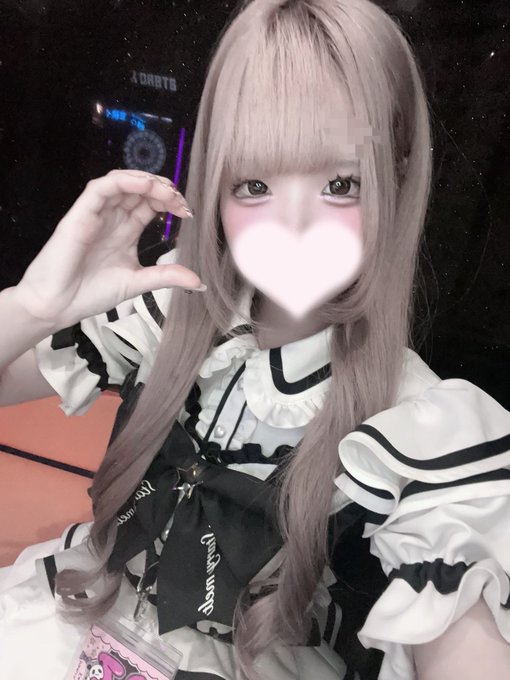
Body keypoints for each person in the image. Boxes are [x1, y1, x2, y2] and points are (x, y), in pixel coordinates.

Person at [0, 0, 509, 679]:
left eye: (340, 184)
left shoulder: (420, 427)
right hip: (79, 611)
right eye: (254, 184)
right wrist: (34, 305)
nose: (290, 226)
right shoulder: (169, 313)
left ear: (399, 175)